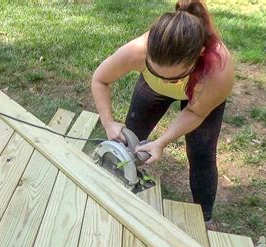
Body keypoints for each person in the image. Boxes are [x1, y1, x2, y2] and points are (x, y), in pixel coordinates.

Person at [91, 0, 234, 226]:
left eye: (173, 78)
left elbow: (195, 113)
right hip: (152, 90)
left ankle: (204, 218)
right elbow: (100, 79)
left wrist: (162, 142)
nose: (165, 80)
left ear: (199, 54)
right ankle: (116, 190)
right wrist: (108, 123)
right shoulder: (136, 51)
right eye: (156, 71)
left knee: (201, 153)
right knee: (128, 142)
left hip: (200, 92)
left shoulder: (218, 71)